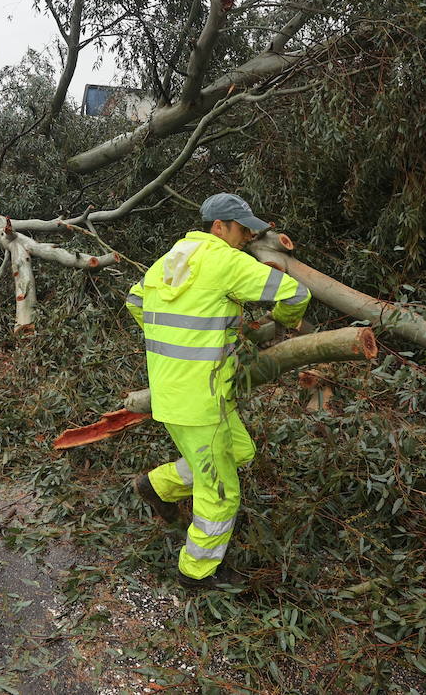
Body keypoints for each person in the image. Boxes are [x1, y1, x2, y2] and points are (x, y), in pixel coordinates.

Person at [125, 193, 310, 590]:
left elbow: (134, 301)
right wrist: (279, 325)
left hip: (172, 392)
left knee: (240, 450)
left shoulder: (168, 260)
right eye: (242, 229)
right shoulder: (225, 262)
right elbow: (296, 294)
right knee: (222, 491)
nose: (246, 238)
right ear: (219, 227)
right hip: (201, 402)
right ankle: (197, 573)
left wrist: (179, 339)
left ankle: (156, 486)